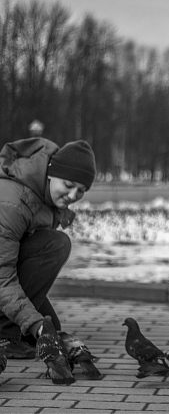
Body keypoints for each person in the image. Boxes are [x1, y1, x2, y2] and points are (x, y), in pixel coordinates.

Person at [0, 137, 96, 359]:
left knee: (51, 328)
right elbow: (2, 276)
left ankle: (13, 328)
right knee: (56, 244)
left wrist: (37, 325)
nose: (73, 196)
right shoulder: (12, 203)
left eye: (81, 190)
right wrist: (32, 322)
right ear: (51, 174)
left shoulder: (43, 195)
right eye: (69, 185)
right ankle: (4, 333)